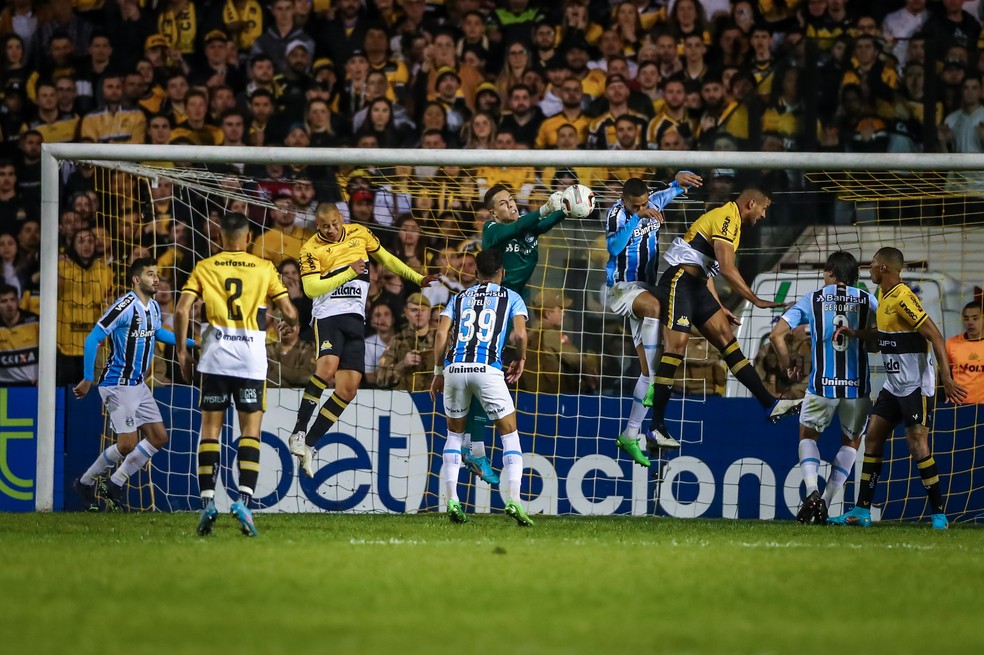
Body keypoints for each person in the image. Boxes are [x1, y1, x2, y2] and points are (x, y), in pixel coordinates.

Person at [287, 203, 439, 477]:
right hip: (329, 316)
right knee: (327, 367)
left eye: (334, 223)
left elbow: (387, 259)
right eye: (325, 227)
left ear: (341, 218)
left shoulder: (360, 233)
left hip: (356, 320)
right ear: (317, 227)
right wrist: (348, 271)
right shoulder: (310, 249)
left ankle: (309, 444)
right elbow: (310, 289)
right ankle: (298, 432)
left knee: (348, 389)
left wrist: (417, 277)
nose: (331, 230)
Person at [645, 187, 803, 445]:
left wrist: (719, 306)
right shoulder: (727, 217)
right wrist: (754, 299)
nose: (763, 215)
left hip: (698, 287)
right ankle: (656, 426)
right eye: (764, 209)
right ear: (751, 203)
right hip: (679, 282)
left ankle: (770, 404)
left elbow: (707, 269)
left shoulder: (734, 225)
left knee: (728, 341)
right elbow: (727, 268)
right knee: (676, 348)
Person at [174, 212, 299, 537]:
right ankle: (243, 500)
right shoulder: (264, 268)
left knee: (210, 431)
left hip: (215, 357)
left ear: (220, 237)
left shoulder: (206, 267)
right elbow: (289, 312)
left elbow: (181, 309)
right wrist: (288, 321)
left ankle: (208, 503)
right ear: (247, 238)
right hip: (250, 359)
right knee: (250, 432)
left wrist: (182, 351)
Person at [828, 247, 967, 530]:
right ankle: (861, 510)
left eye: (873, 265)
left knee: (917, 446)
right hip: (893, 384)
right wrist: (857, 334)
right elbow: (884, 335)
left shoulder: (904, 297)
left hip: (916, 386)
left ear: (884, 269)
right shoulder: (884, 296)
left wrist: (947, 377)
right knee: (873, 438)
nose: (869, 269)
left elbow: (936, 336)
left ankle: (939, 513)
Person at [455, 183, 570, 486]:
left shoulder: (525, 226)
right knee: (485, 374)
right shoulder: (492, 230)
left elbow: (541, 223)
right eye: (503, 204)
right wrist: (546, 209)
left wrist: (569, 206)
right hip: (492, 307)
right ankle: (474, 448)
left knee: (488, 375)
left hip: (511, 308)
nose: (511, 206)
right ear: (492, 212)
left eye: (512, 201)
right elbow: (518, 227)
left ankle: (471, 446)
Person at [72, 259, 195, 512]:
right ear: (136, 280)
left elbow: (158, 333)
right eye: (150, 275)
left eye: (157, 274)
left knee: (159, 437)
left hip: (138, 384)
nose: (156, 279)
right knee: (127, 443)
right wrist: (87, 377)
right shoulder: (124, 306)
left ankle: (115, 483)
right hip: (117, 384)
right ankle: (85, 482)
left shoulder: (153, 307)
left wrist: (192, 343)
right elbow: (93, 337)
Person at [768, 252, 878, 524]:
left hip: (821, 387)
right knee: (851, 442)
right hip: (858, 388)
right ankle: (826, 503)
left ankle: (812, 492)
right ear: (853, 276)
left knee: (808, 437)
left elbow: (776, 334)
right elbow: (877, 340)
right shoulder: (868, 300)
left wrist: (788, 364)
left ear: (830, 272)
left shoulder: (813, 298)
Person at [430, 249, 533, 527]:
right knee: (509, 434)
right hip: (487, 369)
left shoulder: (459, 297)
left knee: (453, 436)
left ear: (476, 273)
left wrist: (439, 371)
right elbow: (520, 333)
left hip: (455, 368)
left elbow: (441, 333)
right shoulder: (512, 297)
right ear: (502, 273)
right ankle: (514, 500)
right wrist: (521, 357)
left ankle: (452, 500)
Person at [605, 172, 702, 466]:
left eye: (645, 203)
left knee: (649, 373)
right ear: (625, 201)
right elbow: (613, 248)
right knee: (656, 307)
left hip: (645, 288)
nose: (644, 207)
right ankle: (650, 392)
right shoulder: (617, 214)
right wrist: (637, 217)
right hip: (621, 289)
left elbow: (672, 191)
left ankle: (631, 433)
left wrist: (678, 182)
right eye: (636, 205)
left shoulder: (653, 201)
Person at [946, 300, 984, 404]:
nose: (970, 322)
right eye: (966, 319)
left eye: (975, 318)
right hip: (958, 404)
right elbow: (944, 374)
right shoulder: (951, 343)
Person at [0, 282, 38, 386]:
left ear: (18, 302)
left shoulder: (35, 322)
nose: (9, 305)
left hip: (31, 385)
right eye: (4, 301)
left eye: (12, 300)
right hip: (3, 385)